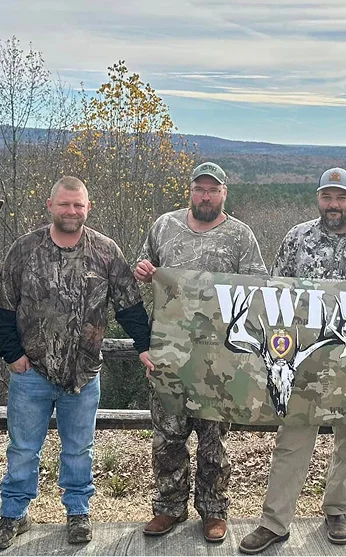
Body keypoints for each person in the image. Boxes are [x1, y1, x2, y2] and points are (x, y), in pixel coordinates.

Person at [239, 166, 346, 554]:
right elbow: (275, 295)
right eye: (327, 196)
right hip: (302, 362)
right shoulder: (297, 239)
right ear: (318, 199)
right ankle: (275, 522)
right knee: (292, 441)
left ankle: (337, 511)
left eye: (340, 197)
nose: (333, 204)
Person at [0, 176, 153, 549]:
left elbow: (129, 305)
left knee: (79, 448)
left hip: (83, 374)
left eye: (78, 205)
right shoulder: (24, 249)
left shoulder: (105, 250)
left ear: (88, 207)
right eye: (65, 204)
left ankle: (78, 512)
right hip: (31, 372)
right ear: (50, 206)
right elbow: (4, 305)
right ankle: (13, 513)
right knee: (23, 448)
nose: (72, 211)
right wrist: (12, 354)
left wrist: (145, 346)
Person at [135, 161, 267, 543]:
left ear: (224, 193)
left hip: (220, 357)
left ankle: (213, 510)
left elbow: (258, 287)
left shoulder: (241, 235)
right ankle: (169, 507)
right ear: (190, 191)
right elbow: (143, 266)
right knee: (167, 438)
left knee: (214, 441)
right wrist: (142, 271)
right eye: (199, 189)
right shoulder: (164, 226)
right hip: (170, 351)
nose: (205, 196)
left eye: (212, 190)